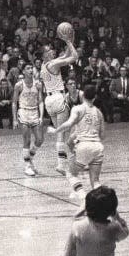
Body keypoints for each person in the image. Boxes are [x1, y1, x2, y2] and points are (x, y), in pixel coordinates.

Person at [48, 85, 105, 207]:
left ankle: (83, 196)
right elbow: (102, 135)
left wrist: (55, 130)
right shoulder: (99, 113)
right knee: (95, 181)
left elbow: (69, 123)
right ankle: (103, 204)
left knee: (70, 173)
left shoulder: (78, 109)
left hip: (84, 145)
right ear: (94, 98)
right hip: (98, 146)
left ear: (83, 96)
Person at [62, 186, 129, 256]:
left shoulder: (77, 227)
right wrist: (116, 216)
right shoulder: (114, 228)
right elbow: (126, 232)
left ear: (87, 207)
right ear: (112, 211)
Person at [41, 33, 78, 175]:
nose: (52, 50)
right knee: (65, 132)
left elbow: (65, 56)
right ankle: (64, 164)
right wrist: (69, 43)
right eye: (48, 50)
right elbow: (74, 57)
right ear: (45, 55)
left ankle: (67, 161)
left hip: (49, 101)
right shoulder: (53, 64)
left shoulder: (46, 65)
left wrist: (68, 41)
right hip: (57, 98)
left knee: (62, 132)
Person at [12, 63, 44, 176]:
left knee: (40, 139)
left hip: (35, 112)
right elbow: (14, 103)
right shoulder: (19, 85)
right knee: (27, 140)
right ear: (24, 72)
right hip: (24, 112)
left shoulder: (38, 84)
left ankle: (29, 157)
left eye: (32, 68)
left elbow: (40, 101)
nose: (31, 70)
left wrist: (41, 116)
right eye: (28, 68)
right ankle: (27, 166)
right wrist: (15, 119)